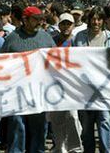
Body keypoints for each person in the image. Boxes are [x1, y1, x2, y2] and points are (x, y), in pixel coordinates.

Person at [0, 6, 56, 153]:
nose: (40, 22)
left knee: (38, 129)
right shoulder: (12, 39)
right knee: (17, 127)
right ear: (25, 20)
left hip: (39, 93)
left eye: (41, 19)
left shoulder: (46, 38)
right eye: (36, 19)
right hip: (17, 93)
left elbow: (56, 60)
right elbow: (0, 63)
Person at [73, 6, 110, 153]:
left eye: (99, 19)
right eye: (93, 19)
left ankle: (106, 149)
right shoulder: (79, 37)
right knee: (86, 124)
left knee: (105, 121)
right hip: (84, 89)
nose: (96, 22)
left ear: (103, 21)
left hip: (104, 89)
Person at [47, 13, 83, 152]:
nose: (66, 26)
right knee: (56, 117)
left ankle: (75, 147)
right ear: (59, 25)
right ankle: (60, 146)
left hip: (72, 84)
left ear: (73, 26)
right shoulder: (51, 41)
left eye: (69, 24)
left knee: (72, 116)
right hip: (54, 83)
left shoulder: (76, 42)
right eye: (63, 23)